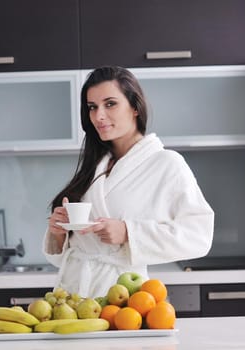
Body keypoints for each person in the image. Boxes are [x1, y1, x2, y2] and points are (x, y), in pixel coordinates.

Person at [44, 66, 214, 298]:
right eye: (92, 107)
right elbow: (71, 250)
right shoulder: (95, 165)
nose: (99, 116)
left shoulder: (167, 163)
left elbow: (199, 236)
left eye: (110, 104)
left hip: (123, 294)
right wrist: (59, 232)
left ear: (135, 107)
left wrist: (128, 232)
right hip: (73, 296)